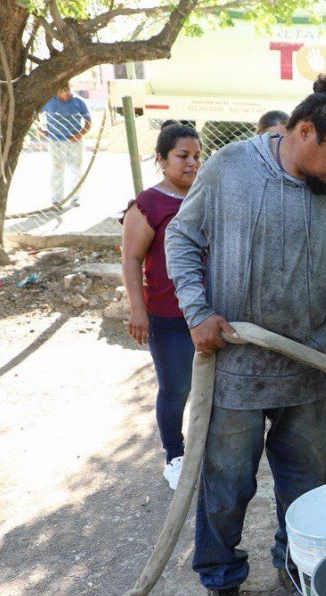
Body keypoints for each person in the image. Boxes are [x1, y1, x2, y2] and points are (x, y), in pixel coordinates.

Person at [165, 74, 326, 596]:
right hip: (237, 370)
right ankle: (222, 582)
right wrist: (197, 312)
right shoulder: (229, 171)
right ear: (305, 131)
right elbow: (181, 239)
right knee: (226, 485)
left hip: (308, 373)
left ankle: (296, 567)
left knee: (309, 487)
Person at [120, 121, 203, 491]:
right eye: (182, 156)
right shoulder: (148, 204)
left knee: (211, 389)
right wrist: (138, 311)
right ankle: (175, 456)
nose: (191, 164)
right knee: (176, 389)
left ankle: (205, 452)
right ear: (161, 159)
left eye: (197, 156)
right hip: (168, 317)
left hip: (206, 312)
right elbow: (131, 260)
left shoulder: (205, 195)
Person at [40, 82, 91, 207]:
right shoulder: (49, 101)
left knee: (75, 168)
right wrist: (40, 130)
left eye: (67, 95)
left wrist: (79, 135)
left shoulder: (78, 102)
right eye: (61, 95)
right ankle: (56, 200)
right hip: (55, 140)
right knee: (57, 169)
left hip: (74, 141)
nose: (64, 98)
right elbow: (36, 114)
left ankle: (75, 198)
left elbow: (88, 122)